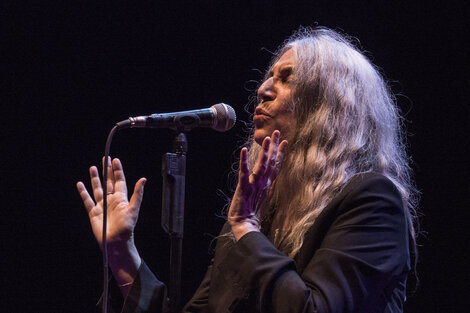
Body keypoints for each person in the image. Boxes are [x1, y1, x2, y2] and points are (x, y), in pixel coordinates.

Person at [77, 27, 418, 313]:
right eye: (269, 76)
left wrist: (245, 228)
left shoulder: (372, 202)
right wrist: (122, 252)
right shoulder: (257, 212)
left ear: (327, 107)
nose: (263, 89)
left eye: (285, 79)